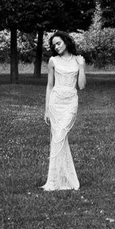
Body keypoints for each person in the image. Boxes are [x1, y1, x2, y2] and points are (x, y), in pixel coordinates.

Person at [42, 32, 87, 191]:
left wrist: (81, 67)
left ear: (66, 42)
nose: (56, 47)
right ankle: (57, 180)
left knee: (60, 136)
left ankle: (62, 178)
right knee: (58, 139)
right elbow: (49, 85)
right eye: (54, 45)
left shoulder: (78, 60)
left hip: (70, 103)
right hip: (55, 103)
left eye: (58, 43)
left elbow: (81, 86)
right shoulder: (53, 61)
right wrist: (47, 109)